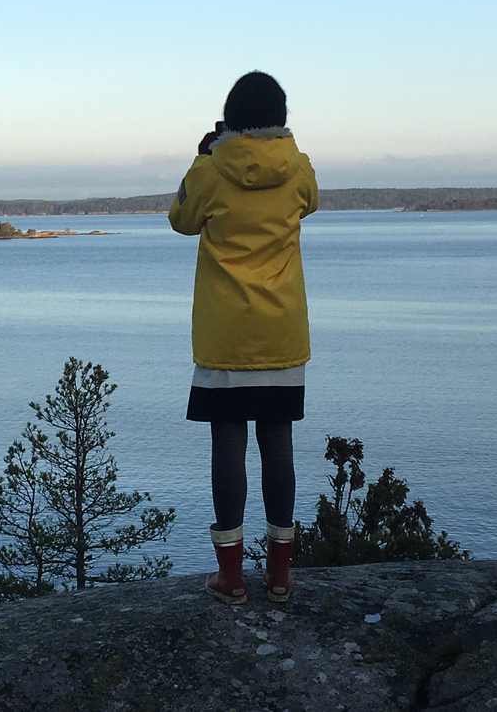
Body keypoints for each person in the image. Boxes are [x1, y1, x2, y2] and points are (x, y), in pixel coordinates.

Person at [168, 71, 317, 605]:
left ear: (229, 118)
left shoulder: (211, 171)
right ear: (281, 118)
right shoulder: (297, 166)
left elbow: (181, 219)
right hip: (280, 330)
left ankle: (231, 578)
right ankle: (279, 575)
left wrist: (203, 156)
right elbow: (312, 201)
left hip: (225, 334)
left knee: (227, 444)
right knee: (278, 444)